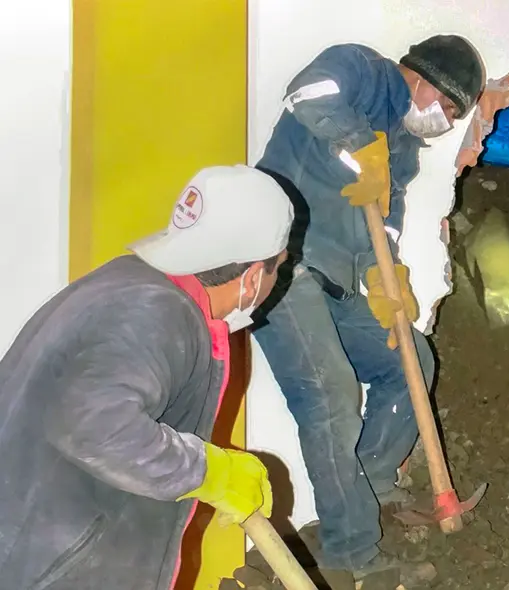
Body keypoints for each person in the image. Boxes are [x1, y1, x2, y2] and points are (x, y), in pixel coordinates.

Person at [252, 35, 485, 582]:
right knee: (331, 396)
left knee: (411, 363)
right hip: (279, 264)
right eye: (449, 108)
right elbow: (308, 92)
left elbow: (385, 223)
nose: (446, 123)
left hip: (336, 281)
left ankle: (372, 491)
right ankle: (351, 554)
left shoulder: (402, 149)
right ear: (423, 79)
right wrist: (361, 143)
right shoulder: (361, 70)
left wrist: (387, 277)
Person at [0, 165, 292, 590]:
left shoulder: (130, 283)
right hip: (47, 568)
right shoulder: (158, 314)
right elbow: (94, 426)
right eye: (278, 267)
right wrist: (211, 472)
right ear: (251, 278)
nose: (278, 280)